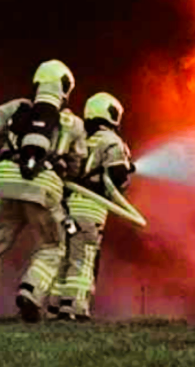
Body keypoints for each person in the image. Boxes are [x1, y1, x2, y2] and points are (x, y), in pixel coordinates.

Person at [0, 59, 88, 322]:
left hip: (4, 182)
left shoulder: (15, 108)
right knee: (52, 245)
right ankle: (31, 291)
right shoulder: (73, 124)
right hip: (44, 187)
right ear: (65, 89)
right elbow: (76, 164)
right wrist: (64, 172)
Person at [49, 92, 135, 321]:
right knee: (85, 258)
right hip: (89, 209)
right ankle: (76, 308)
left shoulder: (81, 137)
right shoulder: (111, 140)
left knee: (66, 256)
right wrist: (127, 169)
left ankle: (54, 306)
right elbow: (117, 177)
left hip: (66, 208)